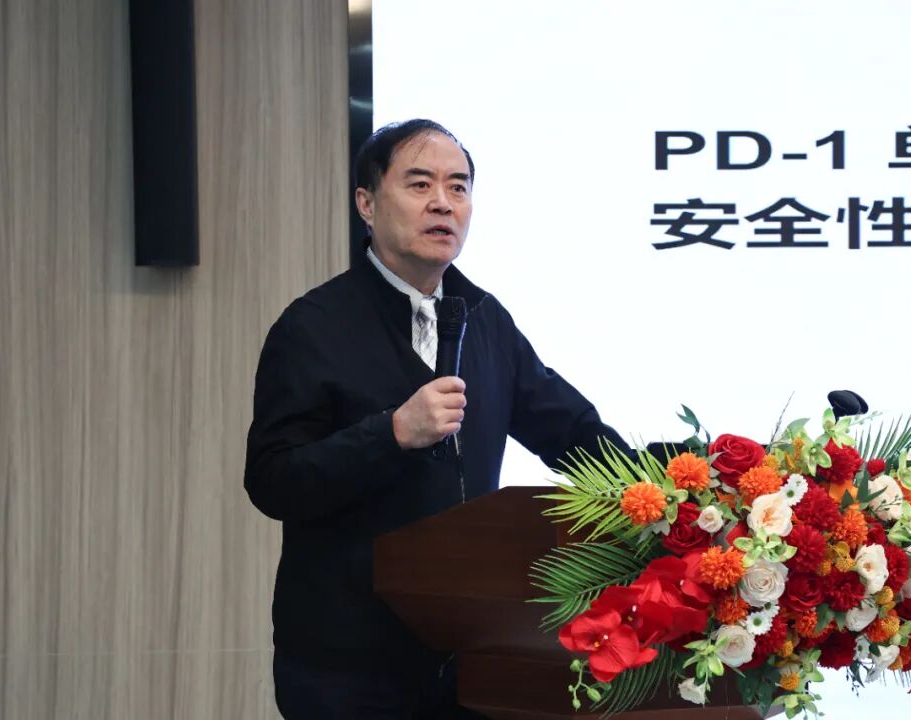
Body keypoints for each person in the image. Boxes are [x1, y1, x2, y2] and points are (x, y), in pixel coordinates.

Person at [244, 119, 628, 719]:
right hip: (349, 663)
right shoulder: (313, 326)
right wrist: (391, 434)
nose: (443, 203)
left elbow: (571, 433)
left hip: (473, 656)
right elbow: (273, 479)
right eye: (420, 184)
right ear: (367, 204)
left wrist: (671, 490)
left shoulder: (484, 319)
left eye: (458, 187)